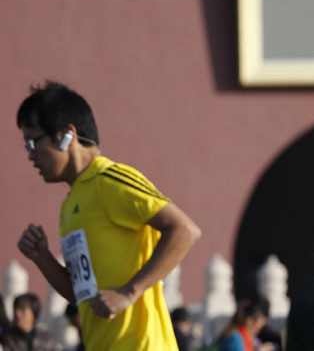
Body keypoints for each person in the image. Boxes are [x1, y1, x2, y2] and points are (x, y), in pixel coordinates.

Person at [15, 81, 202, 351]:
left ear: (68, 135)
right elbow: (82, 295)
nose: (31, 155)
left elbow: (184, 230)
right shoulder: (70, 205)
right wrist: (42, 257)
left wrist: (129, 292)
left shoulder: (110, 179)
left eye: (34, 142)